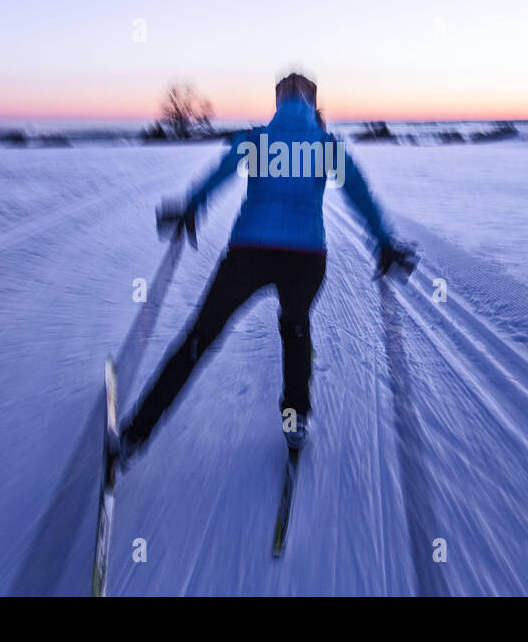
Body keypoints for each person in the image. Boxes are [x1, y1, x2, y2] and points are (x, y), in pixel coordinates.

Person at [114, 72, 415, 466]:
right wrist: (383, 242)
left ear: (278, 102)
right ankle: (295, 419)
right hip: (306, 259)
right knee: (295, 331)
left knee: (200, 336)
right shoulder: (327, 147)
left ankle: (135, 434)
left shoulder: (256, 140)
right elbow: (361, 196)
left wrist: (191, 207)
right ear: (313, 102)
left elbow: (218, 176)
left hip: (249, 253)